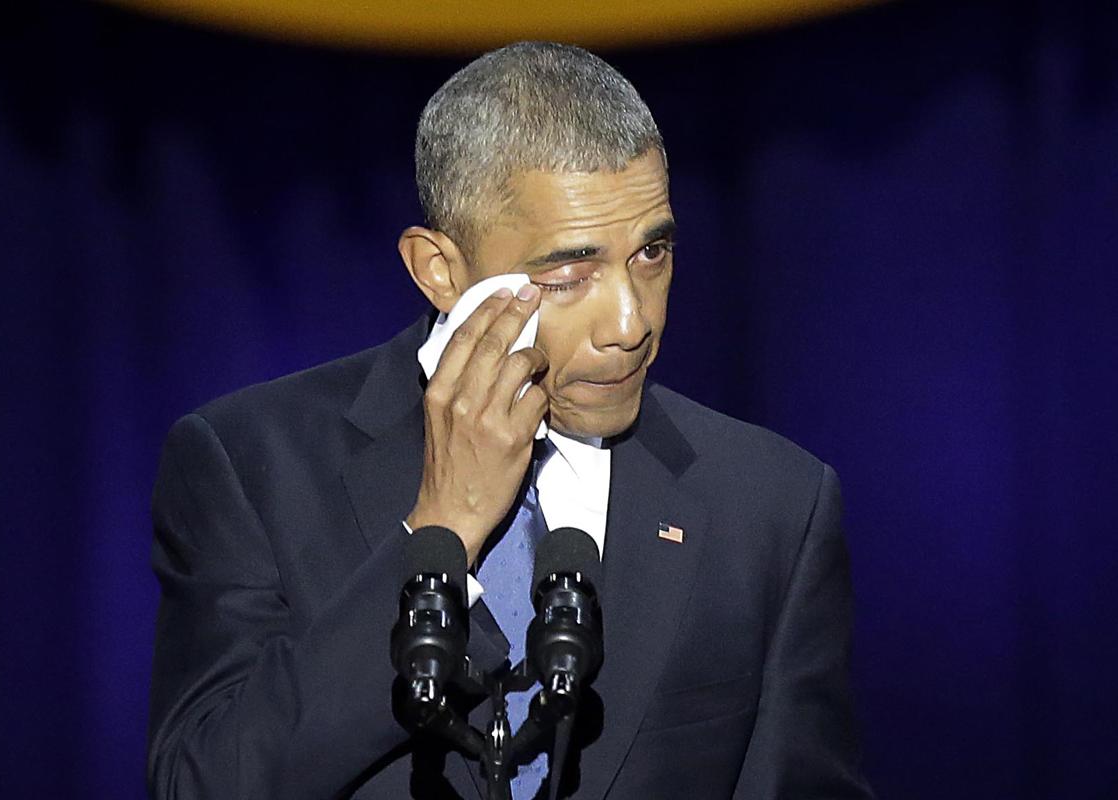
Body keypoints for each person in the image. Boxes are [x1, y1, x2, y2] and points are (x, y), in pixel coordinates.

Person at [147, 41, 874, 799]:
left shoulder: (771, 504)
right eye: (567, 274)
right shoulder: (250, 463)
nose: (629, 322)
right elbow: (200, 783)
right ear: (440, 269)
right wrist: (443, 528)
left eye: (652, 252)